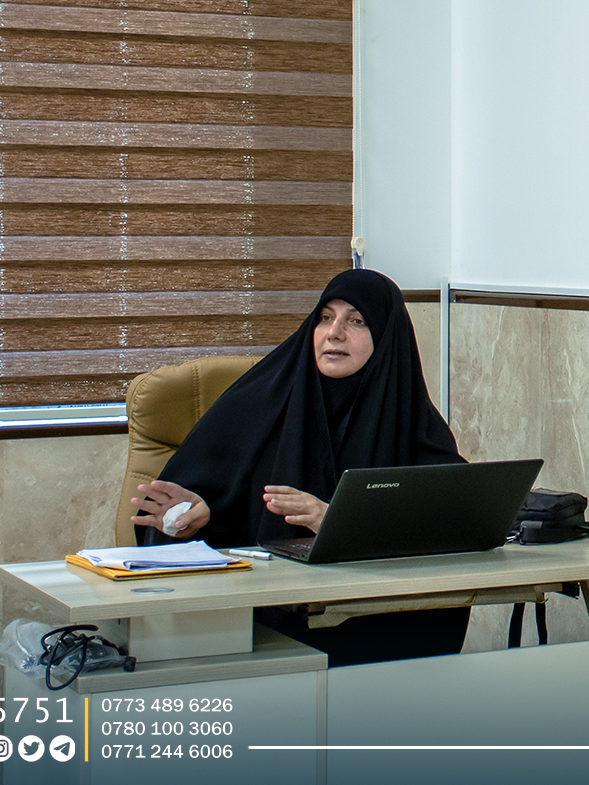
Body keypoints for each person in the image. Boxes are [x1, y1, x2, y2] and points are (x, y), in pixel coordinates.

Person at [129, 268, 469, 665]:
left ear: (387, 337)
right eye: (325, 317)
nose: (334, 333)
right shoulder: (256, 403)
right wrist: (200, 522)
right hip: (267, 628)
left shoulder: (411, 421)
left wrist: (340, 524)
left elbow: (456, 520)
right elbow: (190, 527)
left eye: (357, 321)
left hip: (379, 622)